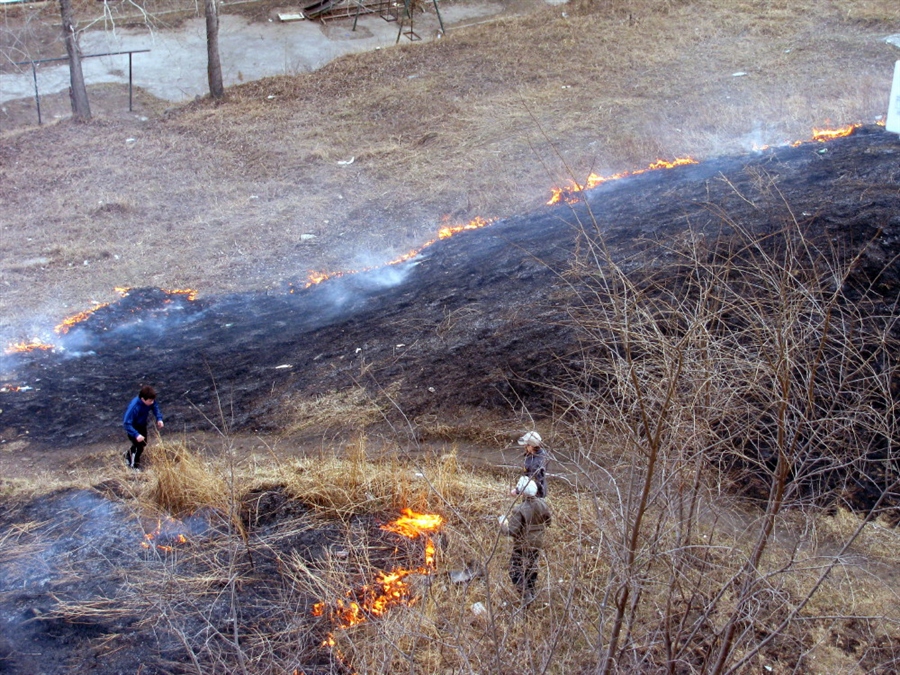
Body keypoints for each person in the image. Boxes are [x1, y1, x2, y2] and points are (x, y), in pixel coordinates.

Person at [499, 475, 552, 606]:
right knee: (531, 567)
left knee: (514, 569)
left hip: (523, 544)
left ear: (523, 492)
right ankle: (532, 592)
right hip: (537, 542)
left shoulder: (519, 509)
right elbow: (549, 521)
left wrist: (502, 524)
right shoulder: (543, 504)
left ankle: (525, 594)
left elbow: (511, 531)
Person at [122, 385, 164, 470]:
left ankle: (127, 455)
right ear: (142, 399)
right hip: (133, 428)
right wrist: (136, 434)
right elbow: (126, 423)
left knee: (143, 443)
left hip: (142, 425)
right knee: (138, 447)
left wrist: (159, 418)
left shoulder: (150, 401)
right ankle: (133, 466)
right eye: (150, 401)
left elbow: (155, 407)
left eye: (153, 400)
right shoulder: (134, 407)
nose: (152, 402)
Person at [514, 430, 548, 498]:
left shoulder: (535, 463)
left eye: (526, 445)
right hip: (540, 489)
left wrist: (517, 491)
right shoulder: (541, 453)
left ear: (531, 446)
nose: (524, 447)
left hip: (535, 493)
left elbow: (530, 481)